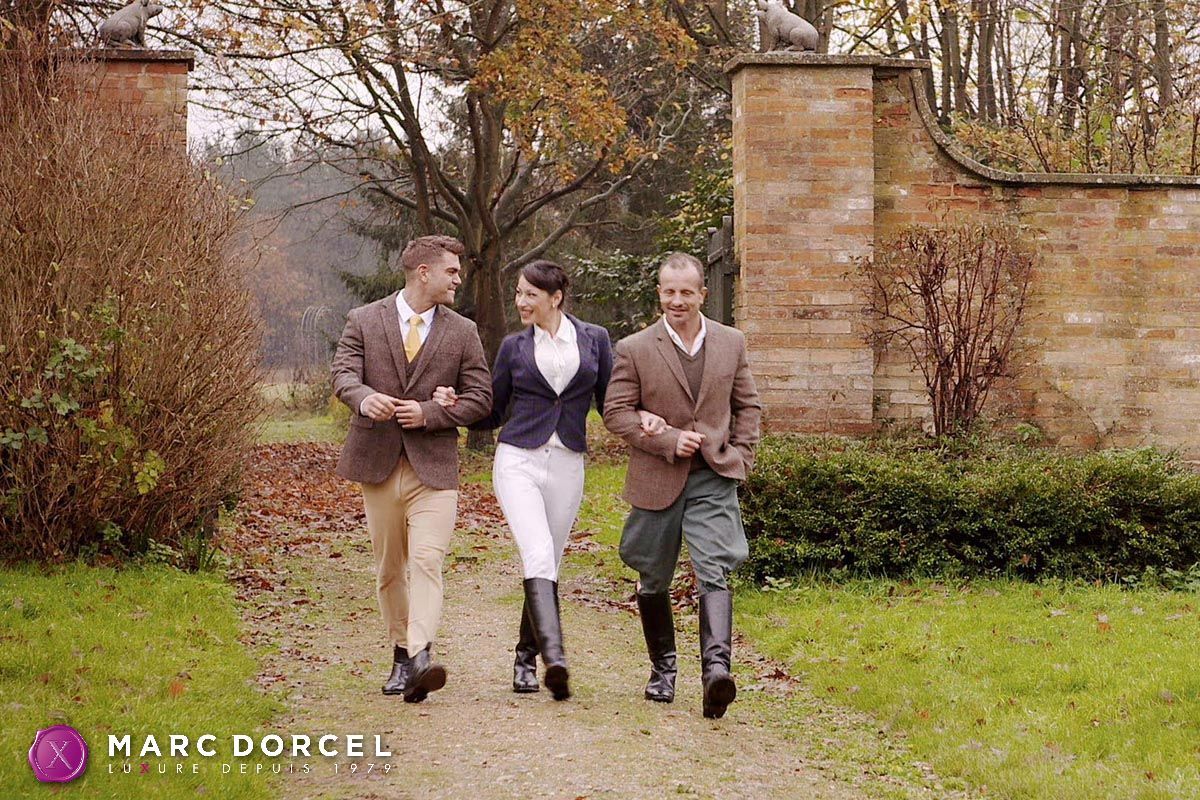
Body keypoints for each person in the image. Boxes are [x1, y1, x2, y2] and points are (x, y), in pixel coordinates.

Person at [434, 260, 612, 701]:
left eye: (530, 294)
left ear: (556, 297)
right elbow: (493, 410)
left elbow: (611, 402)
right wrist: (456, 405)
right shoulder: (514, 347)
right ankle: (555, 658)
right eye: (518, 293)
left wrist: (648, 420)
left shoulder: (595, 339)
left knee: (550, 561)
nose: (521, 302)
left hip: (568, 461)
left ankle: (525, 659)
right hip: (518, 460)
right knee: (536, 552)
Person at [330, 234, 492, 704]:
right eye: (451, 271)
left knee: (427, 561)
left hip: (434, 469)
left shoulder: (463, 331)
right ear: (424, 272)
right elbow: (343, 375)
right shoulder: (364, 319)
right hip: (377, 462)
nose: (458, 279)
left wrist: (432, 413)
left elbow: (482, 398)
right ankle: (401, 654)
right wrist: (365, 399)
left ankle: (421, 657)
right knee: (390, 569)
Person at [602, 251, 762, 719]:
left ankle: (716, 674)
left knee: (715, 569)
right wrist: (668, 439)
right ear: (659, 293)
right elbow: (616, 412)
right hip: (657, 478)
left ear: (702, 294)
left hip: (713, 477)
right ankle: (663, 670)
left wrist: (741, 457)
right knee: (653, 576)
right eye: (669, 292)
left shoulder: (731, 342)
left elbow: (748, 406)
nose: (677, 301)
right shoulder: (635, 347)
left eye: (686, 292)